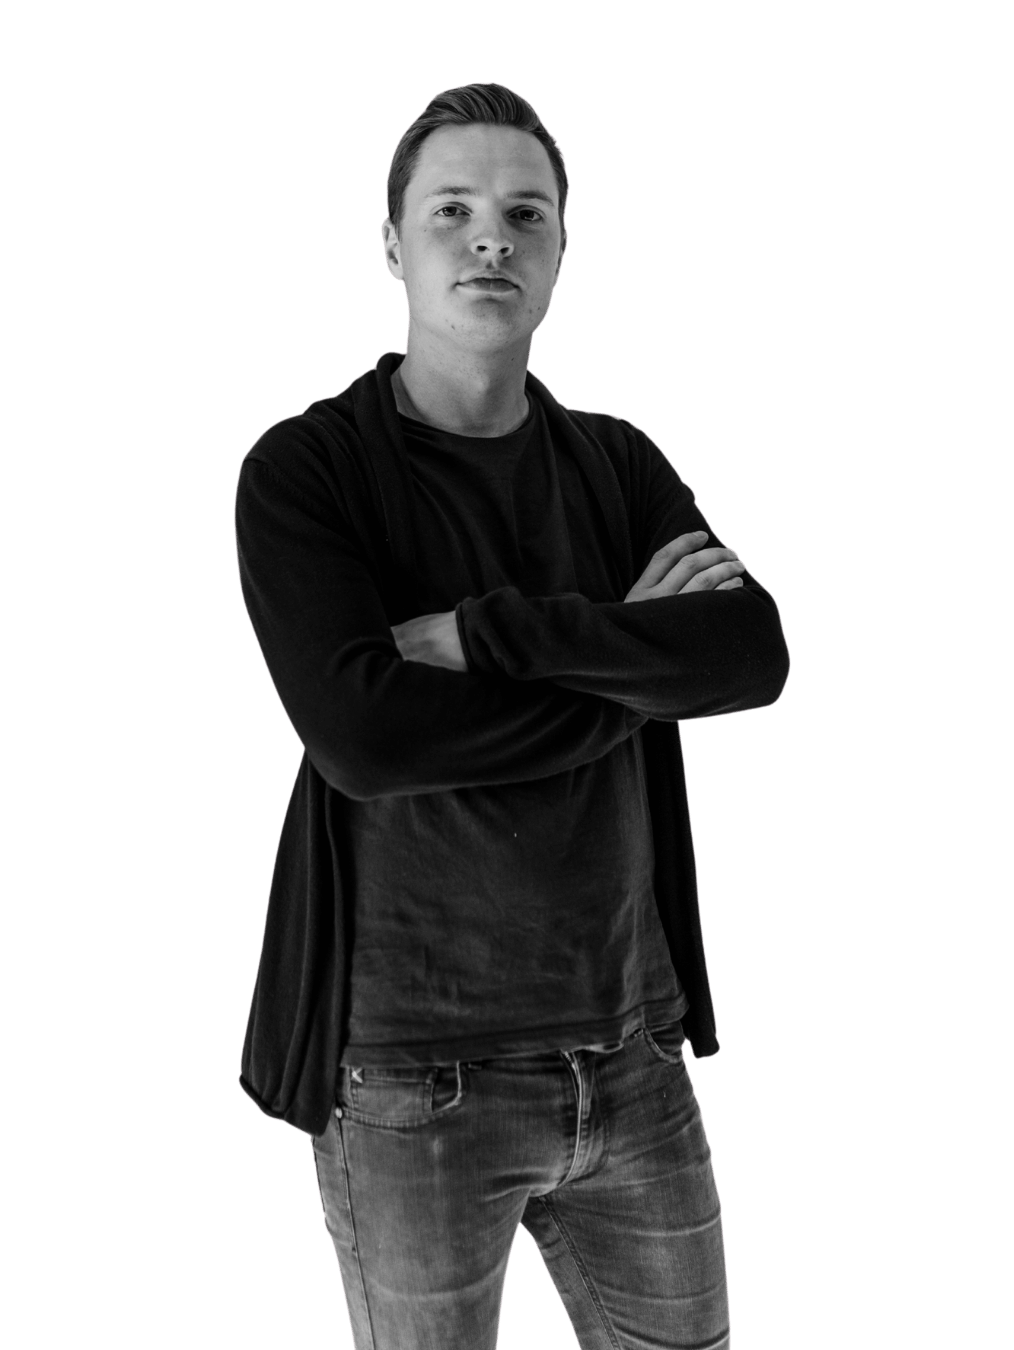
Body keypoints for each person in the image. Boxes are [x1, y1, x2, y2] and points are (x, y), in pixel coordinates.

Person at [233, 81, 790, 1350]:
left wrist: (492, 636)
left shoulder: (619, 462)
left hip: (635, 1054)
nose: (492, 236)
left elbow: (751, 654)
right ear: (392, 246)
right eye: (453, 209)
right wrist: (630, 660)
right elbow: (366, 739)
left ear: (559, 253)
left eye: (526, 214)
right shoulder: (306, 470)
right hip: (412, 1079)